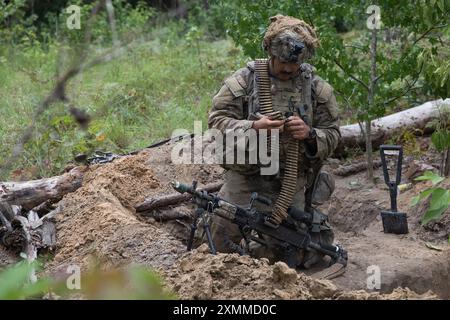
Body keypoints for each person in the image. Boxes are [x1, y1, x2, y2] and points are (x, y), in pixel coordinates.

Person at [207, 14, 341, 268]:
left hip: (289, 182)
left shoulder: (316, 88)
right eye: (282, 63)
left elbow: (333, 133)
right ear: (270, 52)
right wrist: (253, 126)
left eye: (295, 64)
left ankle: (258, 262)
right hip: (247, 176)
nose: (288, 69)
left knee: (293, 251)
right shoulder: (245, 81)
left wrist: (310, 134)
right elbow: (216, 120)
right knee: (220, 237)